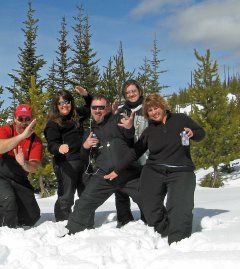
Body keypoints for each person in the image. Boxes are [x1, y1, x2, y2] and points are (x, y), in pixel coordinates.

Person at [104, 93, 205, 244]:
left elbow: (201, 133)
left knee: (178, 207)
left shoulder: (180, 119)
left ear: (163, 106)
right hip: (154, 170)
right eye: (149, 111)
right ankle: (166, 229)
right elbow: (135, 152)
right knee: (149, 204)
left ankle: (179, 242)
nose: (154, 112)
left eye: (156, 108)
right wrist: (117, 170)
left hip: (181, 170)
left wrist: (193, 133)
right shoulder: (150, 130)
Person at [65, 94, 142, 234]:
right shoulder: (90, 131)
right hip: (104, 175)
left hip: (127, 171)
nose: (98, 110)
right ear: (91, 109)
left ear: (107, 108)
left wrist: (130, 128)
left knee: (148, 198)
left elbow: (129, 136)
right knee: (83, 203)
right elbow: (84, 158)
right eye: (95, 107)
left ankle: (159, 229)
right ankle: (72, 233)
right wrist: (86, 146)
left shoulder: (118, 120)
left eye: (101, 107)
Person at [0, 104, 43, 228]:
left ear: (32, 119)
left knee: (32, 216)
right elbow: (0, 148)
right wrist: (22, 136)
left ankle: (16, 223)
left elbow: (34, 167)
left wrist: (24, 163)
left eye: (27, 119)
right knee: (8, 203)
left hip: (18, 178)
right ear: (14, 119)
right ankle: (3, 231)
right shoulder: (6, 130)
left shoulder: (35, 141)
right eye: (20, 119)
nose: (24, 122)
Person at [44, 87, 92, 221]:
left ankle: (86, 221)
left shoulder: (77, 115)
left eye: (67, 101)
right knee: (66, 196)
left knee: (87, 193)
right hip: (66, 163)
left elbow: (90, 107)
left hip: (83, 160)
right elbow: (51, 144)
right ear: (56, 106)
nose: (65, 105)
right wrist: (59, 147)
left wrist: (86, 95)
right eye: (60, 103)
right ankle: (62, 223)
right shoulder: (53, 123)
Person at [115, 79, 148, 227]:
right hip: (126, 155)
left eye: (133, 91)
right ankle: (124, 218)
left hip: (146, 156)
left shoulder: (148, 108)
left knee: (145, 188)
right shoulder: (121, 111)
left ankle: (147, 218)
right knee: (121, 187)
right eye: (128, 92)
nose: (131, 94)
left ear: (139, 91)